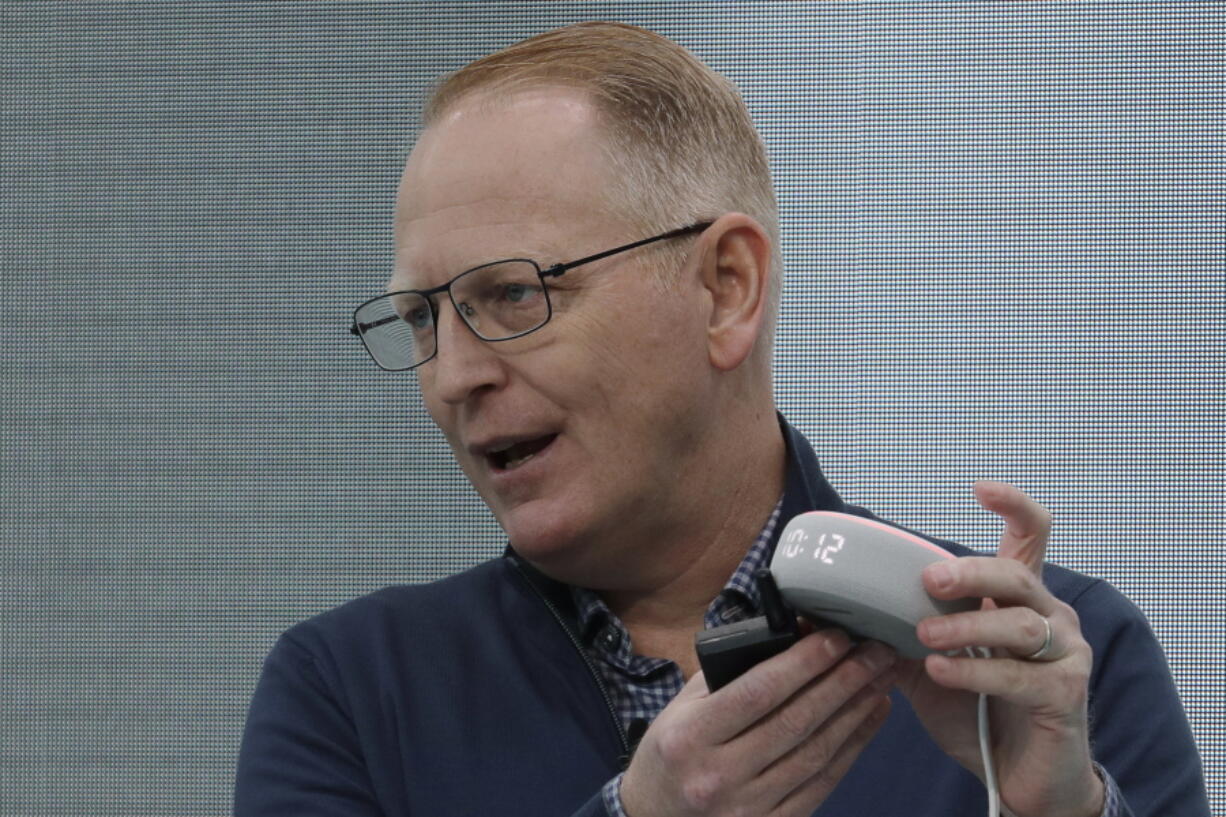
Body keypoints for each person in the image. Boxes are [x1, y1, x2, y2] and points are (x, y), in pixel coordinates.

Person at [234, 22, 1209, 817]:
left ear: (724, 287)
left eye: (512, 294)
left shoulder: (1048, 668)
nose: (451, 375)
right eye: (419, 316)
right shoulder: (349, 692)